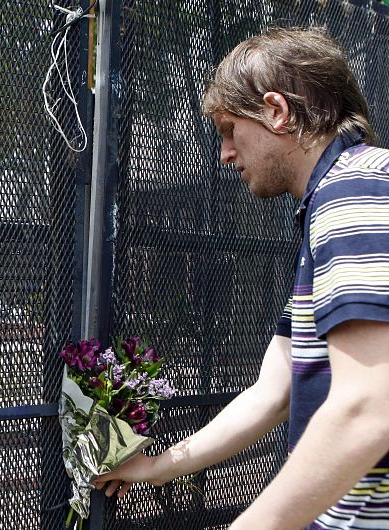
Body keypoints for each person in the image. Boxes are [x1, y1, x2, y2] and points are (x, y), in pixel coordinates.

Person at [93, 26, 389, 530]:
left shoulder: (355, 190)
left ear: (276, 111)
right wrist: (158, 469)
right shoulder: (335, 199)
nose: (225, 154)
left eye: (230, 130)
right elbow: (273, 393)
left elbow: (369, 406)